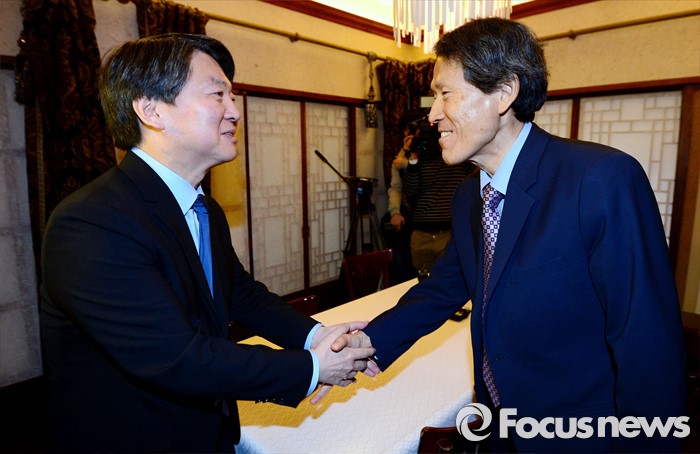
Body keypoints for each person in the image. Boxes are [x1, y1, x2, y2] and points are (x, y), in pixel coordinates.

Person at [334, 18, 686, 452]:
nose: (433, 113)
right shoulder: (469, 196)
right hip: (498, 427)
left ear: (504, 92)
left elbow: (647, 343)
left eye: (446, 93)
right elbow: (443, 289)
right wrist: (367, 343)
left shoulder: (599, 180)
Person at [39, 33, 375, 453]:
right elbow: (176, 357)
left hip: (209, 428)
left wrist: (319, 336)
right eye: (218, 95)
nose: (234, 111)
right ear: (151, 110)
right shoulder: (92, 222)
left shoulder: (204, 209)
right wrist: (312, 367)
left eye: (232, 96)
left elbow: (242, 296)